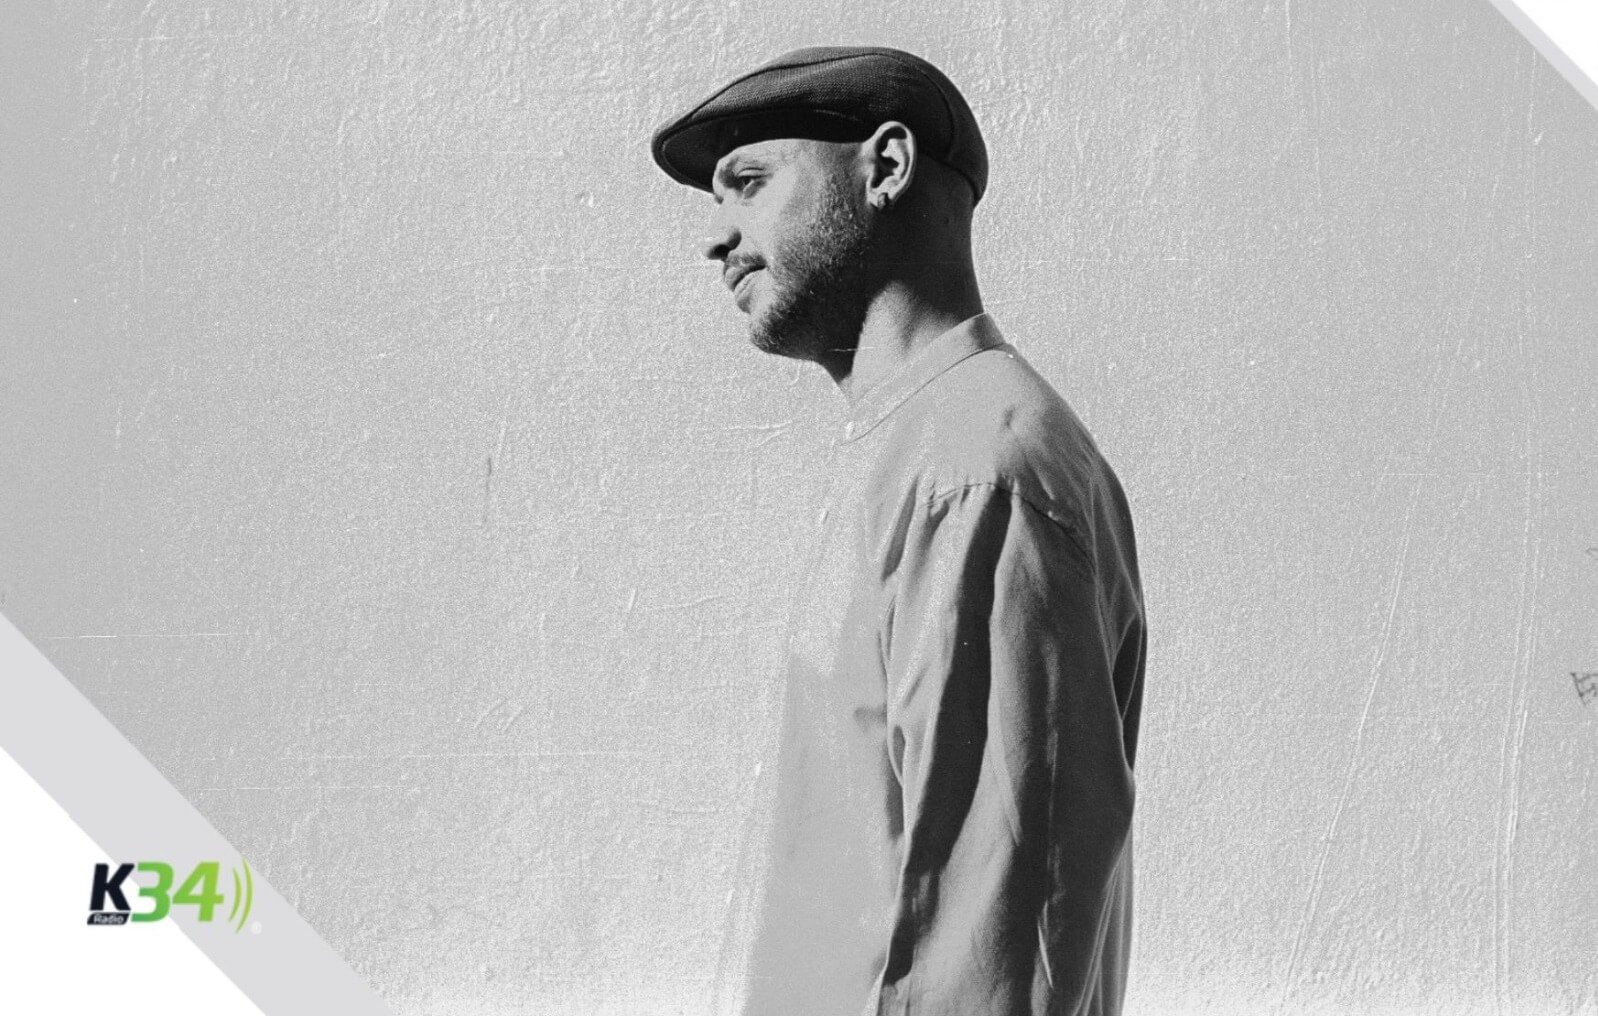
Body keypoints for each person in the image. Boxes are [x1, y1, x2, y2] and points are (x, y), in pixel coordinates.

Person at [651, 46, 1146, 1016]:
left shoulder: (974, 470)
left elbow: (984, 943)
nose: (718, 237)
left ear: (885, 166)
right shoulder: (924, 449)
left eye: (748, 183)